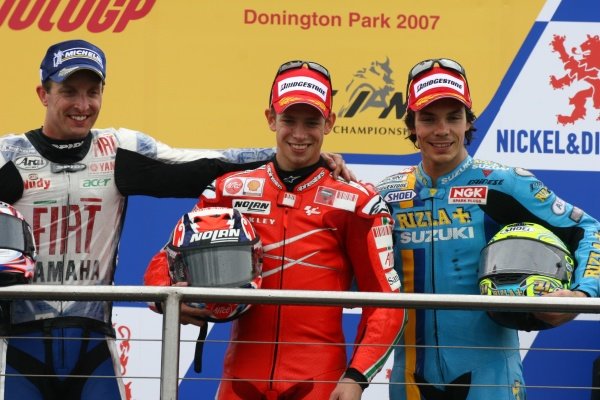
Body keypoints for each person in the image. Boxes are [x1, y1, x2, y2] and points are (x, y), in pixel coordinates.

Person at [0, 40, 350, 400]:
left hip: (92, 343)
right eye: (69, 92)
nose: (83, 105)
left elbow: (209, 165)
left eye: (93, 92)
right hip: (15, 342)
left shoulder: (119, 148)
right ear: (43, 93)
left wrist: (299, 153)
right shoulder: (8, 155)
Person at [144, 60, 407, 400]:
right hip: (240, 380)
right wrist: (167, 297)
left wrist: (357, 376)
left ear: (329, 123)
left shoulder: (357, 203)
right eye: (288, 121)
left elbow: (387, 301)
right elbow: (166, 261)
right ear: (271, 118)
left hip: (319, 381)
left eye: (311, 122)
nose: (299, 134)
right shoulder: (228, 191)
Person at [376, 58, 600, 399]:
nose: (442, 130)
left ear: (469, 123)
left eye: (453, 117)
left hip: (489, 377)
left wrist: (582, 294)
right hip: (409, 379)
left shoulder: (502, 183)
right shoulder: (388, 194)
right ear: (412, 126)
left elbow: (588, 229)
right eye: (428, 118)